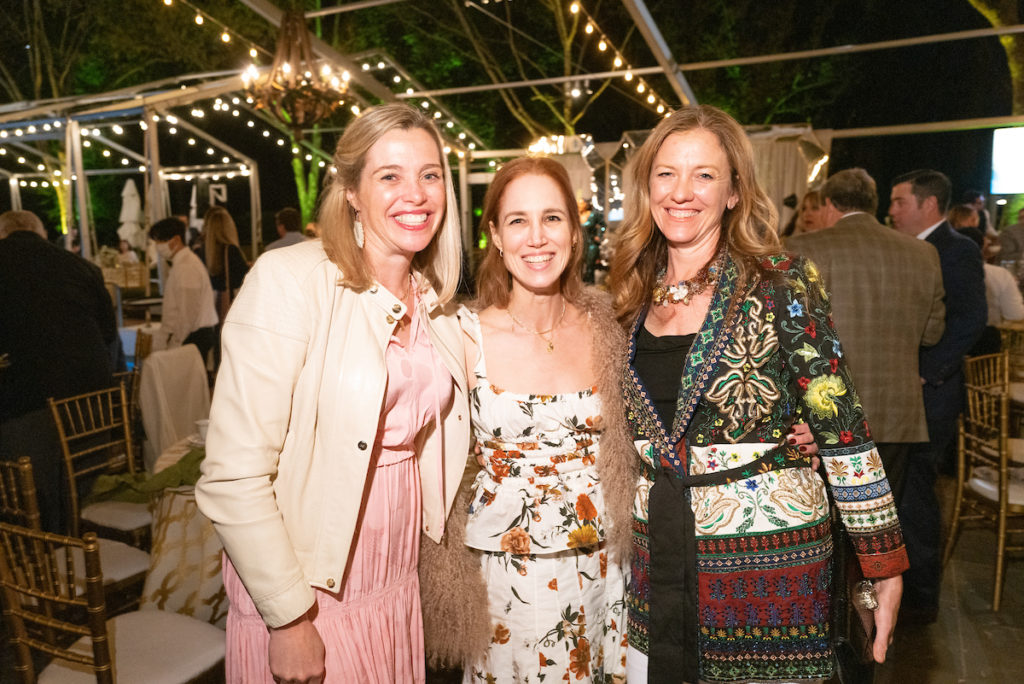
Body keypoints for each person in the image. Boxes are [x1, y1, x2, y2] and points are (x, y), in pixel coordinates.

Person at [608, 105, 908, 684]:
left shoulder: (780, 280)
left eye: (704, 175)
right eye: (666, 173)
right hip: (658, 556)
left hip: (769, 563)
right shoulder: (630, 294)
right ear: (647, 187)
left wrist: (882, 560)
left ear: (734, 192)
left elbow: (839, 419)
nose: (681, 192)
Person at [194, 103, 469, 684]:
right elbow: (232, 475)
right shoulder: (292, 279)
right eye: (389, 176)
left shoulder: (434, 299)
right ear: (351, 191)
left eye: (430, 174)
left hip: (395, 580)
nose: (415, 194)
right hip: (308, 588)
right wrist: (289, 618)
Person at [431, 158, 634, 682]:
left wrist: (792, 438)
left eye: (552, 217)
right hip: (507, 573)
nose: (537, 237)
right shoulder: (461, 335)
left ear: (574, 228)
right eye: (518, 220)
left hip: (607, 564)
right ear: (496, 235)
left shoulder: (613, 324)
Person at [787, 167, 945, 499]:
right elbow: (932, 333)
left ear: (830, 204)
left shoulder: (800, 248)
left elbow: (783, 332)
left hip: (825, 416)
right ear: (872, 204)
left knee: (826, 527)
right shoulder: (923, 253)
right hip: (896, 416)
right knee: (882, 529)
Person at [889, 169, 986, 622]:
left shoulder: (957, 250)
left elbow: (971, 320)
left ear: (928, 205)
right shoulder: (906, 250)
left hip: (934, 396)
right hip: (907, 395)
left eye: (899, 202)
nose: (891, 211)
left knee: (917, 499)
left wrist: (927, 373)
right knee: (903, 495)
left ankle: (920, 601)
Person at [0, 210, 117, 533]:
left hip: (28, 399)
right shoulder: (81, 266)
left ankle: (37, 554)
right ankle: (85, 542)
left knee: (31, 493)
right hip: (92, 398)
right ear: (41, 233)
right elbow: (109, 333)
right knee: (83, 484)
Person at [949, 205, 1024, 355]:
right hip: (984, 349)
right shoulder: (998, 274)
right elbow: (1015, 314)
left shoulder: (944, 267)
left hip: (951, 345)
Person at [148, 217, 219, 361]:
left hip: (194, 335)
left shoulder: (186, 266)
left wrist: (175, 344)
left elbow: (188, 313)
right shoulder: (182, 263)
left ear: (175, 240)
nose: (157, 246)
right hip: (194, 334)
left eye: (159, 241)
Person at [203, 206, 250, 322]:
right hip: (228, 302)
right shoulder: (231, 250)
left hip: (211, 302)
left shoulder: (204, 249)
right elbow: (240, 279)